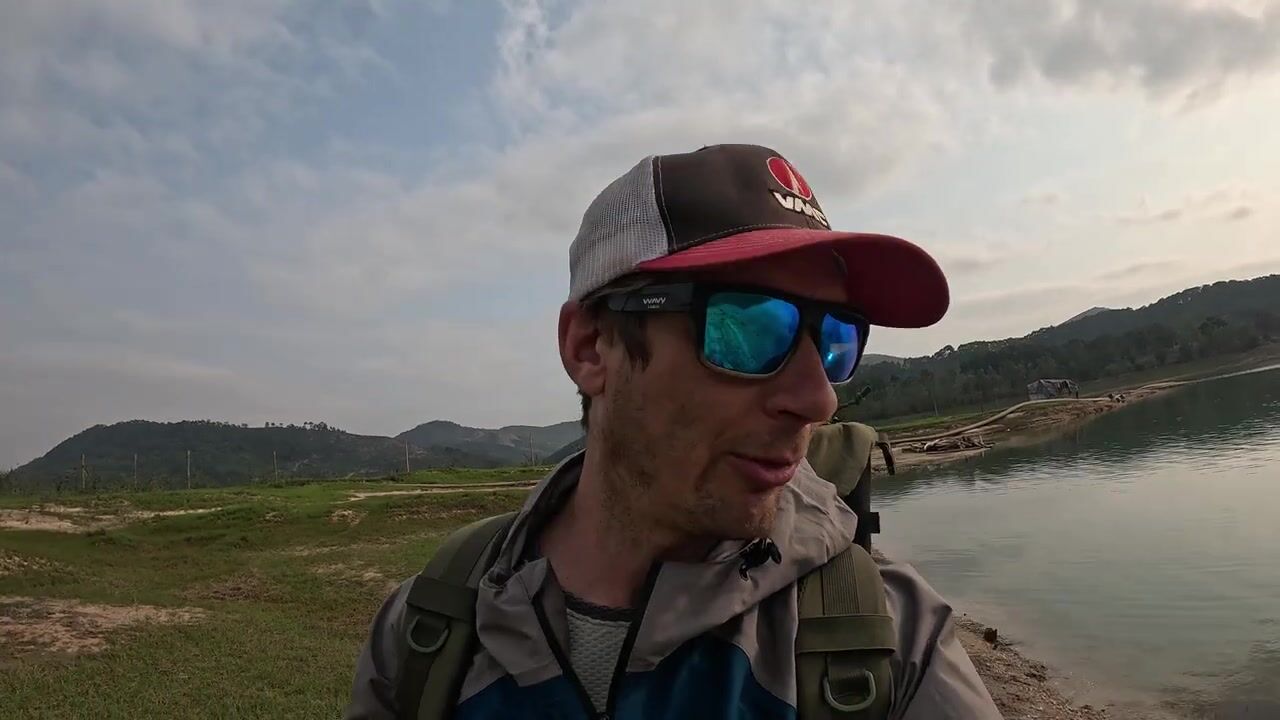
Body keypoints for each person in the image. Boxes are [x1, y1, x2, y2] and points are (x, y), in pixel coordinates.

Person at [345, 143, 1003, 719]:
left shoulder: (890, 638)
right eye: (748, 329)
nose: (819, 399)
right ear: (590, 347)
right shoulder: (428, 630)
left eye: (837, 338)